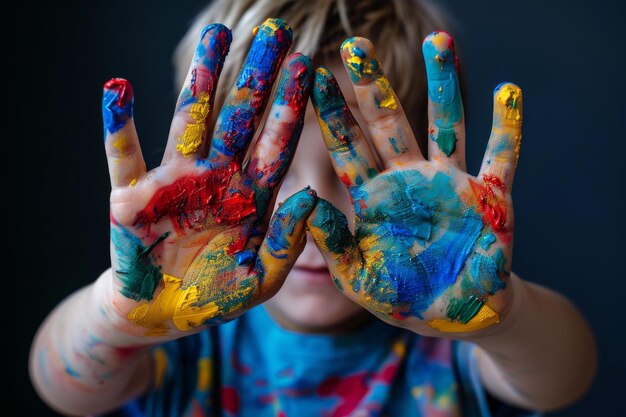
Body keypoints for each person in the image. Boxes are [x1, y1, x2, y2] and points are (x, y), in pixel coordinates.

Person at [29, 1, 598, 416]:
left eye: (358, 177)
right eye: (266, 173)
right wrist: (115, 317)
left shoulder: (444, 328)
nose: (311, 210)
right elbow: (60, 385)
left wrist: (503, 315)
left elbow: (564, 376)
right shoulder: (183, 324)